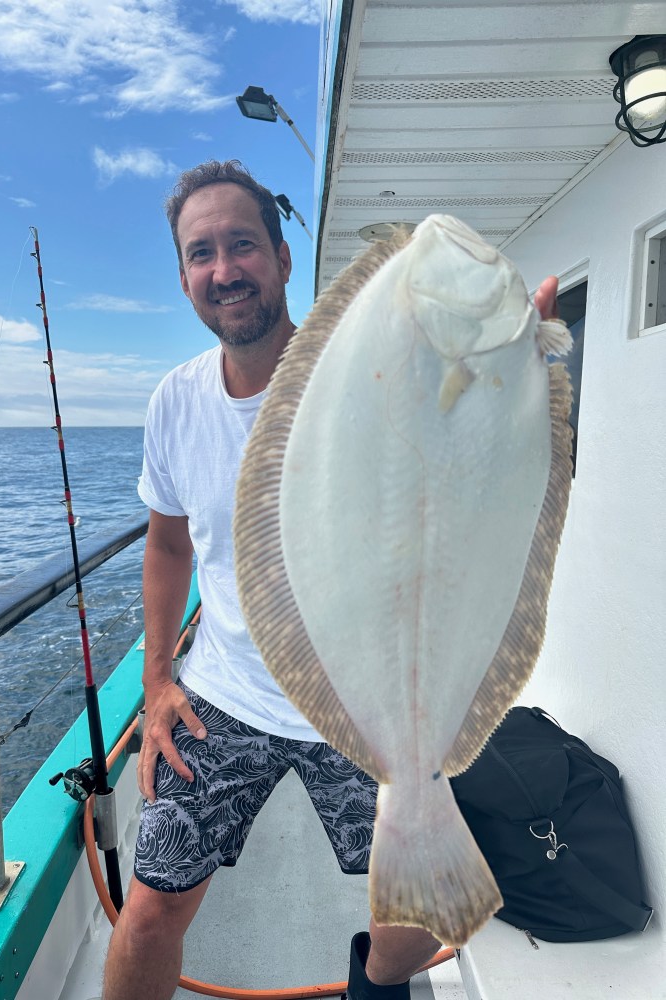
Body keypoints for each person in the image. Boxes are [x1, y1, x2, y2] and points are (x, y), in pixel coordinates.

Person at [102, 160, 561, 1000]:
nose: (225, 269)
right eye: (202, 252)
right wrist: (158, 674)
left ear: (282, 258)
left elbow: (468, 478)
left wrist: (514, 386)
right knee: (149, 909)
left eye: (243, 244)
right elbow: (169, 548)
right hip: (225, 695)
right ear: (182, 279)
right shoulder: (173, 402)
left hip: (366, 695)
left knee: (417, 920)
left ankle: (374, 987)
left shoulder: (371, 366)